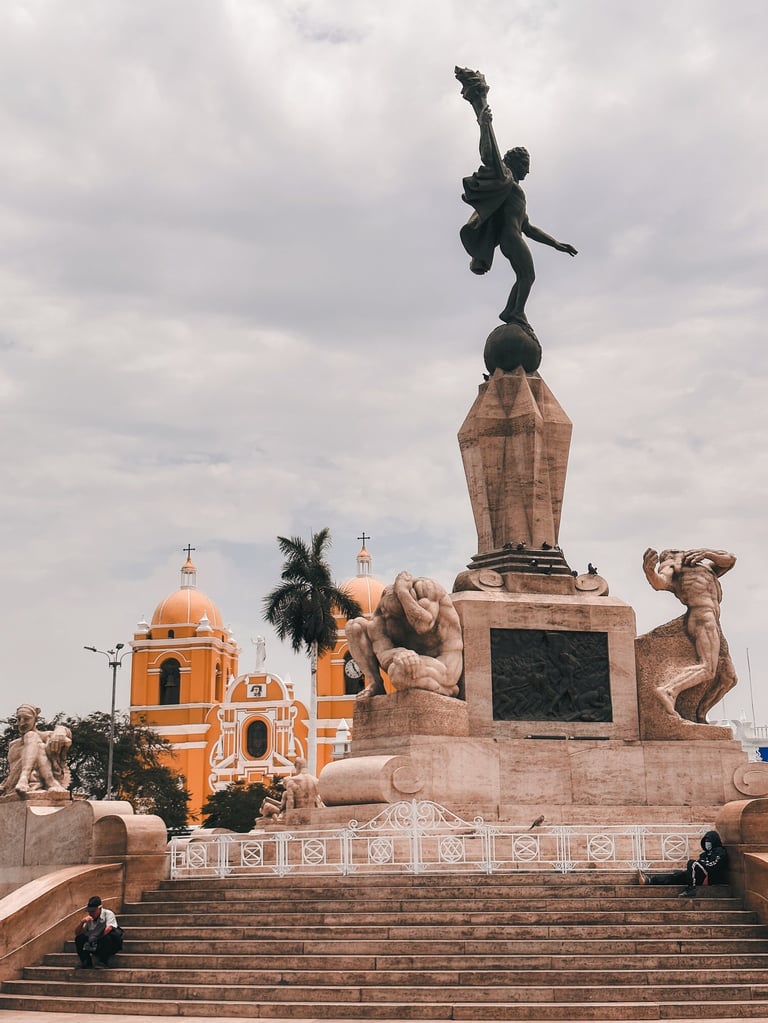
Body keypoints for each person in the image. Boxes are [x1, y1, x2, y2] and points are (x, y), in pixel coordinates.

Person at [458, 95, 577, 327]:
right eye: (525, 167)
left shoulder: (514, 190)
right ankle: (515, 313)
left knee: (525, 276)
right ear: (516, 164)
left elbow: (529, 228)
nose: (528, 172)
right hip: (510, 238)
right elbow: (490, 153)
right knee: (528, 276)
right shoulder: (506, 181)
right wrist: (484, 123)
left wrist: (557, 244)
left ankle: (511, 312)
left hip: (515, 235)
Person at [642, 548, 737, 719]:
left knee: (728, 678)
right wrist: (649, 570)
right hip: (701, 617)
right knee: (708, 668)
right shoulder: (672, 565)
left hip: (714, 621)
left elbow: (730, 560)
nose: (680, 552)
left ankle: (699, 715)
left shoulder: (705, 568)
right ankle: (669, 690)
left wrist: (707, 553)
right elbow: (660, 582)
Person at [0, 704, 71, 797]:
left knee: (35, 739)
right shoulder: (13, 744)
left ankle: (27, 778)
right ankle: (48, 782)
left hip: (31, 785)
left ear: (35, 719)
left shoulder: (45, 736)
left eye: (26, 719)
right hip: (14, 785)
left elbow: (66, 738)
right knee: (33, 738)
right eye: (19, 719)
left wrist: (61, 730)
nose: (21, 723)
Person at [638, 830, 728, 897]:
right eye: (705, 841)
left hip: (711, 878)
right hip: (700, 876)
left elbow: (714, 865)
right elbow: (702, 864)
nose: (707, 843)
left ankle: (691, 889)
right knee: (678, 876)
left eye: (709, 841)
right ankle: (651, 880)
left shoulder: (720, 852)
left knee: (692, 863)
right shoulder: (704, 854)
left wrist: (701, 864)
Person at [74, 895, 123, 968]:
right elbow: (77, 933)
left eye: (93, 911)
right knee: (79, 938)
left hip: (109, 944)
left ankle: (103, 961)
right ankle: (86, 962)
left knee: (108, 935)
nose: (91, 913)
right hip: (95, 943)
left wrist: (95, 939)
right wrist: (82, 922)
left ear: (99, 908)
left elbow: (108, 929)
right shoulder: (89, 919)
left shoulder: (108, 914)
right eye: (89, 911)